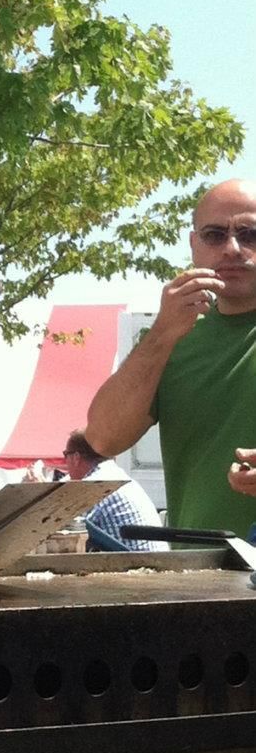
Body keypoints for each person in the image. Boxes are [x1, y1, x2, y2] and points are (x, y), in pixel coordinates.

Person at [85, 178, 256, 536]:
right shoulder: (172, 339)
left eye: (250, 234)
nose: (232, 248)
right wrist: (162, 332)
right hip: (202, 568)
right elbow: (103, 438)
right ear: (194, 245)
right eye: (214, 235)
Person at [57, 430, 163, 551]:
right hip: (157, 559)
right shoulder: (113, 475)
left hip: (134, 562)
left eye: (66, 455)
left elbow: (66, 529)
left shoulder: (93, 486)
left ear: (76, 458)